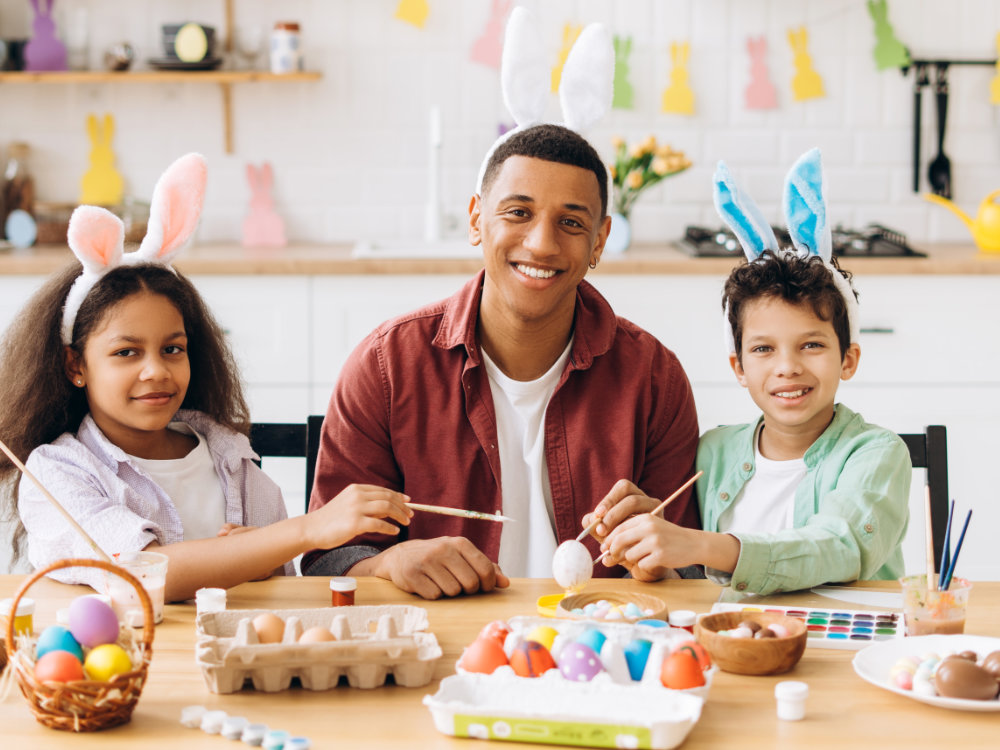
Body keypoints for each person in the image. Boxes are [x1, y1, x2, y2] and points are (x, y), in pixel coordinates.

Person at [304, 120, 701, 598]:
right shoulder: (386, 367)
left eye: (572, 222)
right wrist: (389, 561)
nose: (541, 243)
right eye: (518, 212)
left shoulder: (655, 378)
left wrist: (660, 560)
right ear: (476, 220)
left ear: (599, 241)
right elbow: (327, 560)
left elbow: (691, 577)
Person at [0, 154, 411, 602]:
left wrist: (256, 564)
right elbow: (141, 573)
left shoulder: (235, 463)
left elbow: (281, 590)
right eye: (126, 352)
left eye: (172, 349)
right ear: (75, 365)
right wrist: (309, 529)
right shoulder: (56, 472)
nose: (156, 370)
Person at [588, 149, 911, 594]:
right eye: (764, 349)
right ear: (738, 367)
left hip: (849, 651)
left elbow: (841, 546)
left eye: (812, 345)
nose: (788, 367)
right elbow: (697, 576)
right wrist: (653, 545)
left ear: (848, 359)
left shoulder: (877, 454)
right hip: (739, 644)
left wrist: (704, 545)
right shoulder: (713, 453)